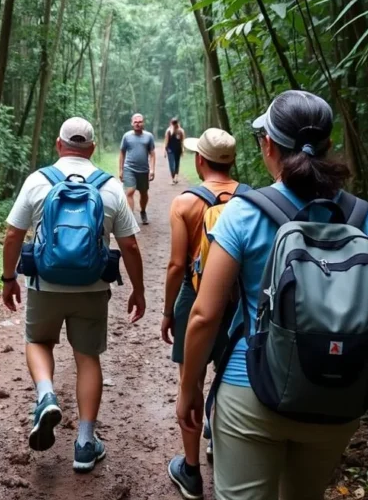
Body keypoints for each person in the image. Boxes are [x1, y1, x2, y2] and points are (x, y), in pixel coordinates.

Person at [176, 91, 368, 500]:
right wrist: (329, 355)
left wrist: (189, 388)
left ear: (268, 145)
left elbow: (204, 316)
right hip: (335, 400)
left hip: (249, 390)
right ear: (328, 146)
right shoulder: (364, 218)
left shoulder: (244, 213)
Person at [2, 117, 146, 473]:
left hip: (44, 285)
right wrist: (138, 291)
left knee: (38, 341)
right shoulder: (109, 186)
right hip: (92, 288)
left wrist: (8, 278)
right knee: (87, 358)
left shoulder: (38, 181)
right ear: (93, 148)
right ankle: (84, 443)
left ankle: (46, 394)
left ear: (58, 144)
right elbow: (128, 243)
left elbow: (12, 235)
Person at [161, 128, 245, 499]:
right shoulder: (253, 201)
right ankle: (220, 446)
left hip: (192, 300)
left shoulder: (185, 204)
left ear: (199, 160)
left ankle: (191, 470)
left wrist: (167, 312)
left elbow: (177, 265)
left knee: (190, 382)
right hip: (236, 303)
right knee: (228, 379)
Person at [119, 113, 156, 224]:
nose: (138, 124)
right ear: (132, 123)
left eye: (140, 122)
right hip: (129, 168)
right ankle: (130, 217)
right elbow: (122, 152)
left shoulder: (149, 136)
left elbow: (152, 154)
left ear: (143, 123)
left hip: (144, 170)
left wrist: (152, 169)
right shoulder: (127, 136)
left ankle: (143, 211)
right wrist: (120, 170)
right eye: (135, 122)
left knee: (144, 193)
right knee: (130, 191)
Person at [165, 118, 186, 185]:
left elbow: (182, 141)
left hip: (178, 149)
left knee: (177, 164)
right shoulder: (168, 131)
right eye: (173, 123)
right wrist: (165, 151)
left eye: (175, 123)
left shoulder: (181, 131)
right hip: (170, 150)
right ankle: (174, 177)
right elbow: (166, 141)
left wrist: (183, 149)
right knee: (172, 165)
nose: (174, 124)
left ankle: (175, 177)